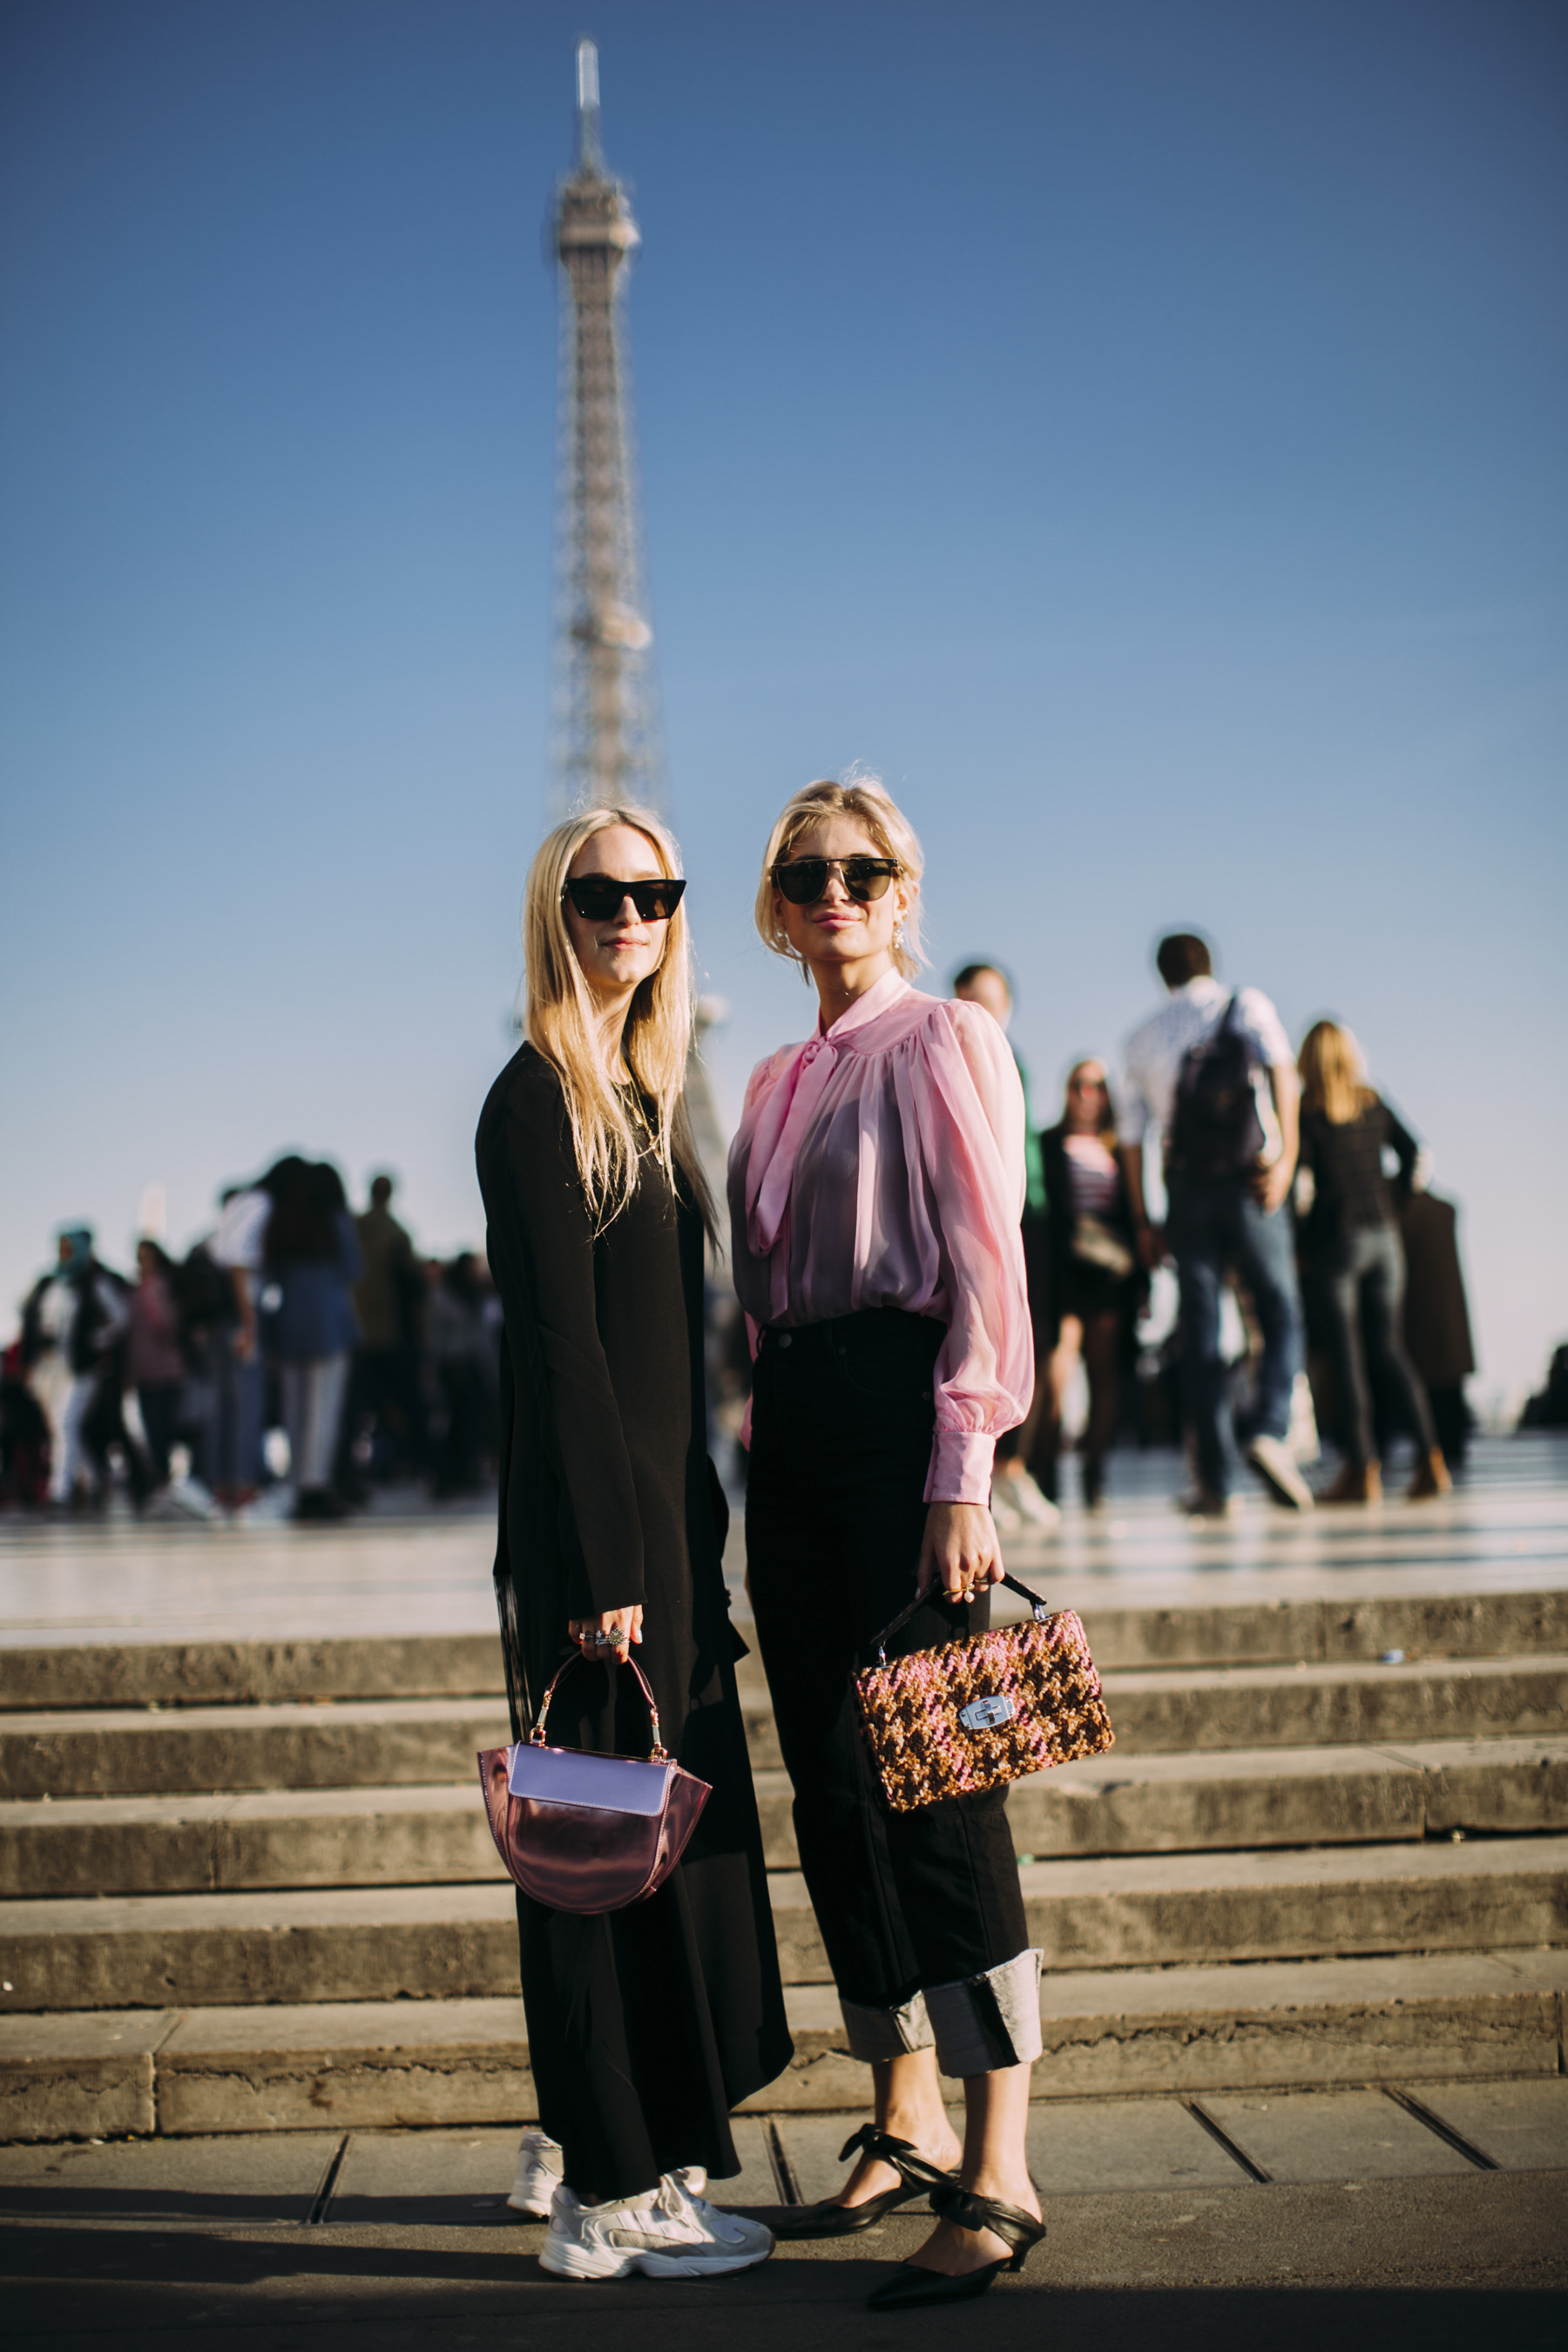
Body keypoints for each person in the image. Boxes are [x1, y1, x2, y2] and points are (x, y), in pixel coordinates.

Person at [730, 775, 1047, 2310]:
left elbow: (990, 1261)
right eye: (809, 872)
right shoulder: (772, 1081)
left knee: (940, 1781)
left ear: (903, 891)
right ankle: (900, 2107)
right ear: (780, 907)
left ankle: (1000, 2168)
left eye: (863, 868)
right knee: (830, 1789)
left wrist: (962, 1469)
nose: (836, 890)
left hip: (901, 1417)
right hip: (789, 1437)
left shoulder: (946, 1039)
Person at [475, 805, 787, 2284]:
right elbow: (560, 1353)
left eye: (656, 894)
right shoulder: (536, 1099)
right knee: (590, 1863)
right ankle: (599, 2190)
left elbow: (675, 1360)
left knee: (650, 1866)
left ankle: (653, 2165)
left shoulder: (649, 1100)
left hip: (665, 1542)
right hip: (595, 1551)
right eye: (602, 894)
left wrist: (688, 1550)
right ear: (560, 910)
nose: (630, 918)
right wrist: (601, 1568)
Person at [1119, 932, 1312, 1518]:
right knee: (1280, 1309)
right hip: (1247, 1179)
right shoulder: (1244, 1004)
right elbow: (1283, 1073)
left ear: (1163, 975)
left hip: (1184, 1188)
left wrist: (1144, 1218)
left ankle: (1216, 1484)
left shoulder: (1141, 1038)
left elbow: (1132, 1138)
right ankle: (1269, 1430)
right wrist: (1286, 1158)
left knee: (1201, 1332)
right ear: (1209, 964)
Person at [1295, 1021, 1450, 1503]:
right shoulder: (1373, 1101)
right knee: (1390, 1351)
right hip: (1385, 1239)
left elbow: (1302, 1190)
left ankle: (1362, 1470)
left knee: (1348, 1359)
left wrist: (1302, 1240)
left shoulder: (1308, 1111)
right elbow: (1418, 1156)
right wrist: (1394, 1202)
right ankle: (1431, 1461)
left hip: (1338, 1243)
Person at [950, 963, 1058, 1532]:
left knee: (1021, 1339)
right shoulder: (955, 1052)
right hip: (983, 1212)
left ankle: (1010, 1468)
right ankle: (994, 1472)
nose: (981, 1010)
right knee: (985, 1339)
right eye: (970, 999)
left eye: (989, 1000)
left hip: (1025, 1211)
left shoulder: (1007, 1056)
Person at [1036, 1061, 1141, 1511]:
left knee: (1104, 1376)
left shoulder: (1119, 1148)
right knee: (1055, 1375)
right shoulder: (1048, 1143)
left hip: (1110, 1274)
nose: (1088, 1094)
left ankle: (1094, 1471)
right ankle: (1045, 1476)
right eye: (1079, 1084)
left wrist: (1144, 1280)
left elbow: (1135, 1211)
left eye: (1098, 1086)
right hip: (1064, 1273)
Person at [261, 1159, 362, 1522]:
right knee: (323, 1411)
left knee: (294, 1413)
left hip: (289, 1324)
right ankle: (315, 1487)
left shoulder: (280, 1221)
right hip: (330, 1323)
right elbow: (354, 1270)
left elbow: (269, 1275)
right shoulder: (334, 1220)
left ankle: (296, 1485)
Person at [21, 1229, 128, 1508]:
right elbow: (30, 1315)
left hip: (80, 1368)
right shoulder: (49, 1283)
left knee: (66, 1424)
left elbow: (120, 1319)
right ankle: (94, 1480)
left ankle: (60, 1492)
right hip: (48, 1368)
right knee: (61, 1428)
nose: (64, 1254)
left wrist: (96, 1340)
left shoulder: (94, 1283)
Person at [347, 1173, 422, 1486]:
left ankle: (348, 1476)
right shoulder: (396, 1233)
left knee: (353, 1415)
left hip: (358, 1333)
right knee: (411, 1408)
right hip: (390, 1334)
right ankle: (428, 1469)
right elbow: (414, 1289)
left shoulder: (355, 1230)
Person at [205, 1180, 271, 1509]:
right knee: (248, 1403)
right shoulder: (252, 1217)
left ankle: (221, 1481)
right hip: (242, 1318)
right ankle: (243, 1481)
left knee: (225, 1404)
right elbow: (240, 1267)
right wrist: (249, 1324)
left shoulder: (216, 1234)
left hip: (221, 1321)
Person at [125, 1240, 187, 1496]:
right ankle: (161, 1478)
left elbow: (166, 1323)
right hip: (142, 1370)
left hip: (167, 1368)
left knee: (167, 1426)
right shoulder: (133, 1290)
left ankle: (171, 1478)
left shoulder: (161, 1285)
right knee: (151, 1428)